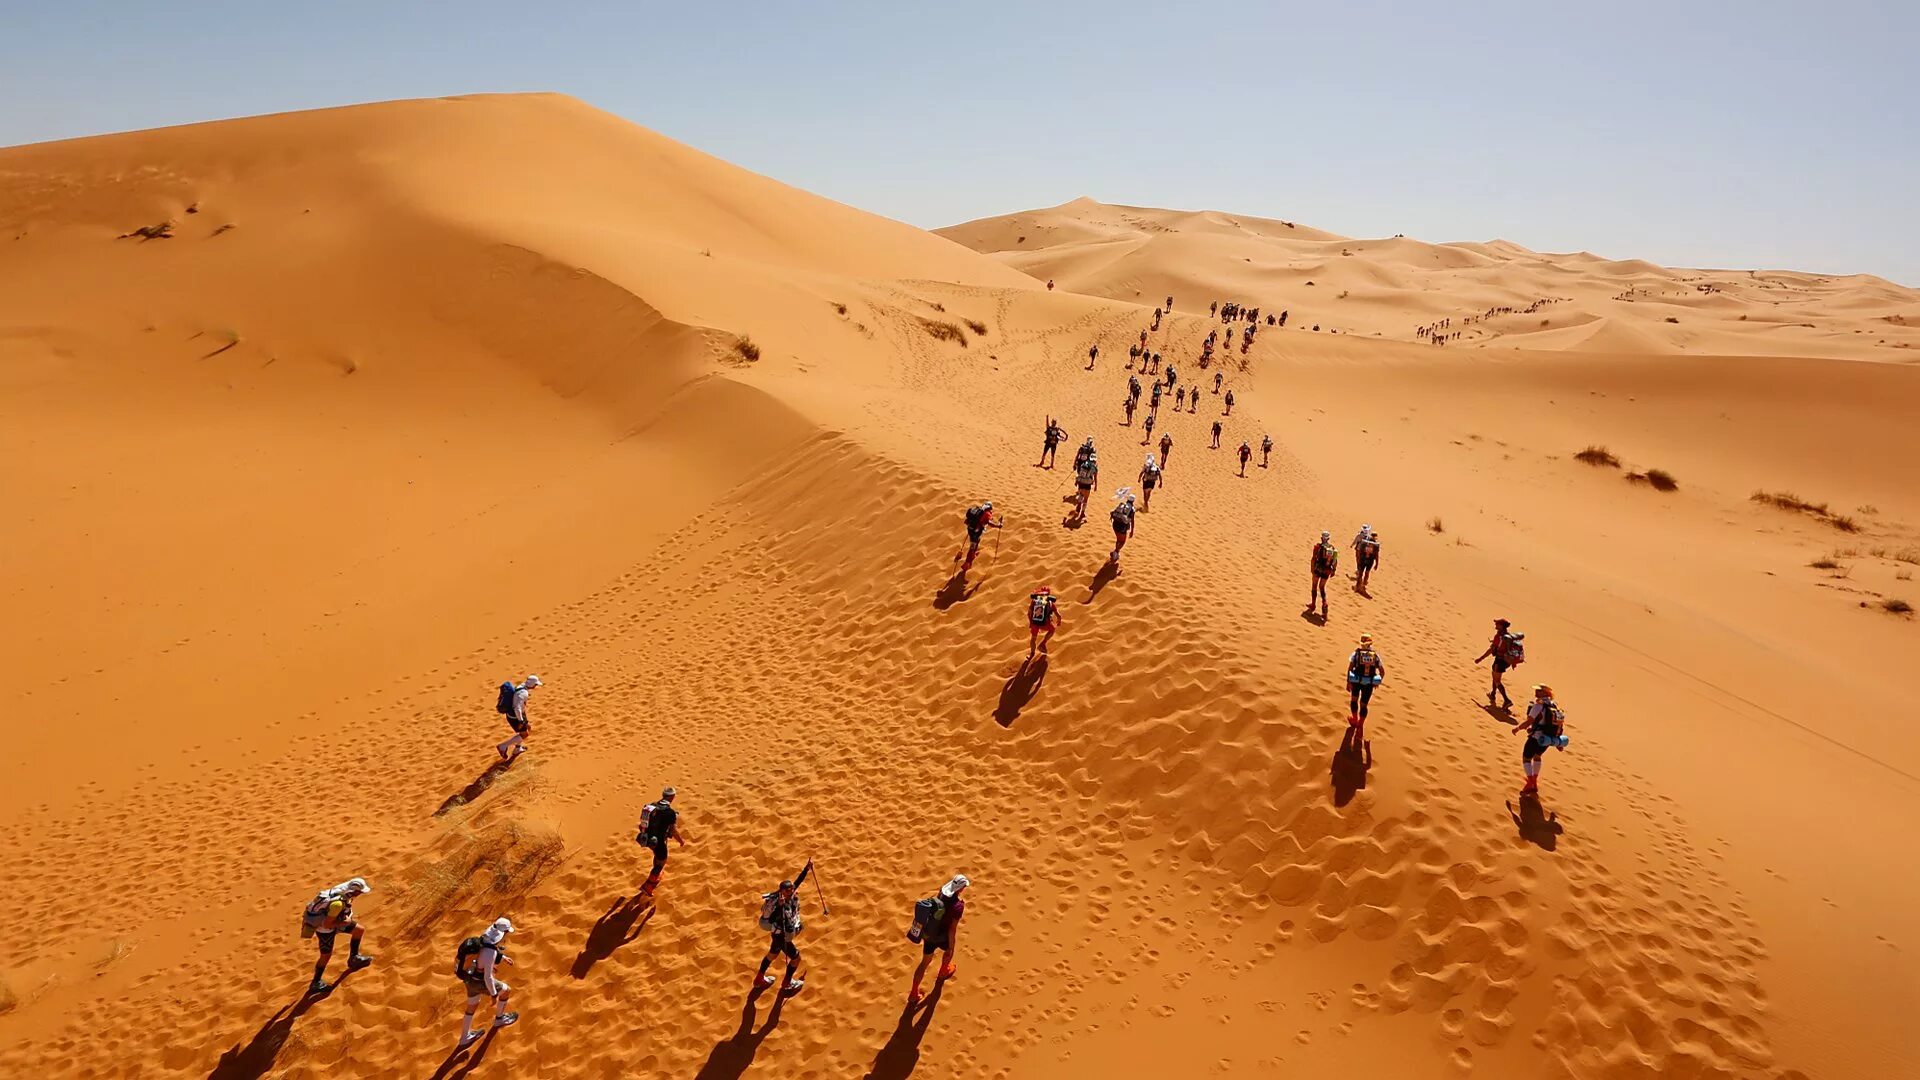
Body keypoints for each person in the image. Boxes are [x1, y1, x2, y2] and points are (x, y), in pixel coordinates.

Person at [302, 878, 373, 995]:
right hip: (325, 930)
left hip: (336, 920)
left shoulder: (344, 889)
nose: (360, 894)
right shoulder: (337, 904)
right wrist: (345, 922)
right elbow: (327, 924)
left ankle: (354, 958)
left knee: (359, 930)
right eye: (359, 892)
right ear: (353, 892)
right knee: (325, 956)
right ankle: (315, 982)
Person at [455, 917, 519, 1047]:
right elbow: (488, 977)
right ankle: (499, 1020)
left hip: (469, 979)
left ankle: (464, 1038)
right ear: (503, 934)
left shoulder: (482, 940)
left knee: (472, 1006)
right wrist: (494, 994)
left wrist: (503, 957)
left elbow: (483, 956)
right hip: (480, 981)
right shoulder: (490, 953)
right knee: (506, 991)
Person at [908, 875, 970, 1004]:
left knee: (924, 963)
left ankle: (913, 993)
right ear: (960, 889)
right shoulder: (958, 906)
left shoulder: (942, 892)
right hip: (942, 936)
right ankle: (943, 971)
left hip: (930, 933)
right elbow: (952, 928)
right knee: (949, 951)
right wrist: (951, 945)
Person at [756, 865, 811, 994]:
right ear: (781, 891)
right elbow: (772, 919)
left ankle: (759, 979)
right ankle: (787, 983)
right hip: (782, 936)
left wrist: (806, 869)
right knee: (796, 958)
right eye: (788, 890)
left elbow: (798, 882)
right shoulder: (779, 903)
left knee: (772, 955)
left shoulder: (789, 895)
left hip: (776, 935)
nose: (791, 892)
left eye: (791, 889)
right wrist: (780, 907)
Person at [1514, 685, 1569, 794]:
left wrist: (1517, 728)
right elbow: (1558, 725)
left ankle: (1531, 782)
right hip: (1547, 739)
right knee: (1537, 756)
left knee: (1526, 758)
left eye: (1539, 691)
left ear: (1545, 693)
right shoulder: (1554, 706)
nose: (1536, 692)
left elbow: (1529, 721)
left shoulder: (1538, 706)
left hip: (1536, 737)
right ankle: (1534, 782)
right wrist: (1558, 742)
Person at [636, 787, 686, 895]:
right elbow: (673, 830)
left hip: (647, 839)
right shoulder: (670, 813)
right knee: (661, 862)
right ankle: (648, 886)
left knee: (657, 857)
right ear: (672, 797)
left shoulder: (652, 805)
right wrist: (681, 841)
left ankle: (654, 876)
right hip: (659, 842)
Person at [1474, 619, 1524, 709]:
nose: (1495, 625)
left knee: (1497, 681)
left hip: (1500, 661)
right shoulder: (1508, 636)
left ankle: (1506, 700)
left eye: (1497, 624)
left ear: (1501, 626)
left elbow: (1491, 650)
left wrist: (1480, 658)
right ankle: (1493, 694)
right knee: (1495, 676)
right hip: (1505, 661)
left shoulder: (1500, 637)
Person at [496, 674, 541, 761]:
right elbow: (517, 708)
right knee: (525, 734)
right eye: (535, 684)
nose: (536, 686)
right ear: (532, 685)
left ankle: (517, 749)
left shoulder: (521, 686)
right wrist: (521, 721)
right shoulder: (524, 693)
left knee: (528, 728)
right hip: (515, 717)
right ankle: (503, 746)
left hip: (518, 715)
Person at [1346, 634, 1385, 727]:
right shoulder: (1375, 656)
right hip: (1369, 683)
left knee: (1354, 700)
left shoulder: (1356, 654)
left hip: (1356, 681)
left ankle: (1354, 719)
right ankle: (1360, 724)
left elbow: (1350, 668)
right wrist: (1377, 682)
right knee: (1364, 705)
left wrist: (1348, 682)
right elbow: (1382, 672)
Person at [958, 501, 1003, 570]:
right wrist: (998, 526)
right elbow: (989, 523)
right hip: (976, 532)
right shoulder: (986, 513)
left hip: (970, 530)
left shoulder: (977, 510)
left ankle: (972, 555)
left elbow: (967, 520)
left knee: (976, 541)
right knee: (973, 545)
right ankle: (967, 563)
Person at [1308, 531, 1338, 615]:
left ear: (1321, 538)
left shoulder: (1317, 547)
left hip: (1318, 569)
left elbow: (1313, 558)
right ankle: (1324, 603)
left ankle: (1313, 605)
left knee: (1314, 586)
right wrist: (1333, 571)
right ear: (1328, 539)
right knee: (1322, 587)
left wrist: (1312, 569)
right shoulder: (1332, 548)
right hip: (1327, 570)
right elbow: (1335, 561)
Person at [1027, 586, 1061, 656]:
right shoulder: (1051, 603)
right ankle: (1043, 643)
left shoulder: (1034, 601)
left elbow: (1029, 613)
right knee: (1052, 630)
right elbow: (1058, 615)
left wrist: (1031, 623)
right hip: (1045, 623)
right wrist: (1059, 621)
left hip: (1035, 624)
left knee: (1033, 639)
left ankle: (1032, 654)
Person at [1110, 491, 1137, 566]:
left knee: (1119, 539)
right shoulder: (1132, 509)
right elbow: (1132, 521)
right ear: (1133, 501)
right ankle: (1116, 553)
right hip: (1122, 526)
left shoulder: (1122, 505)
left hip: (1115, 524)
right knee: (1122, 541)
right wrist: (1132, 531)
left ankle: (1116, 553)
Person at [1072, 447, 1099, 522]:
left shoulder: (1084, 464)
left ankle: (1078, 507)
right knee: (1086, 499)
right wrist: (1096, 486)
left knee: (1080, 495)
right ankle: (1082, 513)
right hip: (1087, 484)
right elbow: (1095, 477)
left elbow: (1080, 473)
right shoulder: (1094, 468)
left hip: (1081, 483)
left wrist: (1077, 481)